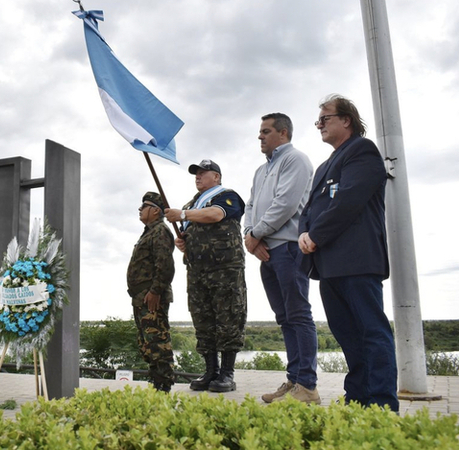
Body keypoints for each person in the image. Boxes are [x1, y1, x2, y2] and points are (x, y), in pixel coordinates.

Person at [298, 94, 399, 411]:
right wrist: (303, 231)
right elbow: (311, 207)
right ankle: (357, 398)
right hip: (328, 265)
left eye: (325, 118)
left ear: (347, 120)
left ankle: (382, 403)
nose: (320, 125)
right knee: (347, 336)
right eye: (318, 121)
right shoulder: (324, 166)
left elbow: (349, 200)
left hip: (357, 260)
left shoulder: (363, 151)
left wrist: (316, 234)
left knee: (372, 332)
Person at [243, 113, 320, 404]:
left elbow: (285, 204)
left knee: (299, 315)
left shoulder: (296, 160)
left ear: (283, 133)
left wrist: (257, 234)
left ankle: (308, 386)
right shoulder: (261, 171)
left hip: (288, 248)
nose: (260, 137)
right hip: (266, 250)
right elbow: (251, 205)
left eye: (266, 131)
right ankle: (294, 380)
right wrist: (251, 236)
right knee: (284, 317)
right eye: (259, 131)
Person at [164, 159, 247, 393]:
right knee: (203, 319)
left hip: (225, 269)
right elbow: (191, 231)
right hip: (197, 271)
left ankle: (227, 374)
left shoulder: (227, 196)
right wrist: (184, 241)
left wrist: (182, 214)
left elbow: (215, 215)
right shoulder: (193, 203)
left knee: (229, 316)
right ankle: (211, 370)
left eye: (203, 173)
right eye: (196, 174)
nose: (198, 177)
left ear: (217, 177)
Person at [127, 191, 176, 392]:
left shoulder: (160, 231)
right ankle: (156, 382)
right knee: (148, 344)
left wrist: (155, 291)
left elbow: (165, 265)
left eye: (144, 206)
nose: (140, 209)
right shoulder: (150, 232)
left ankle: (163, 386)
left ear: (155, 210)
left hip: (151, 297)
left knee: (158, 342)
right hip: (142, 297)